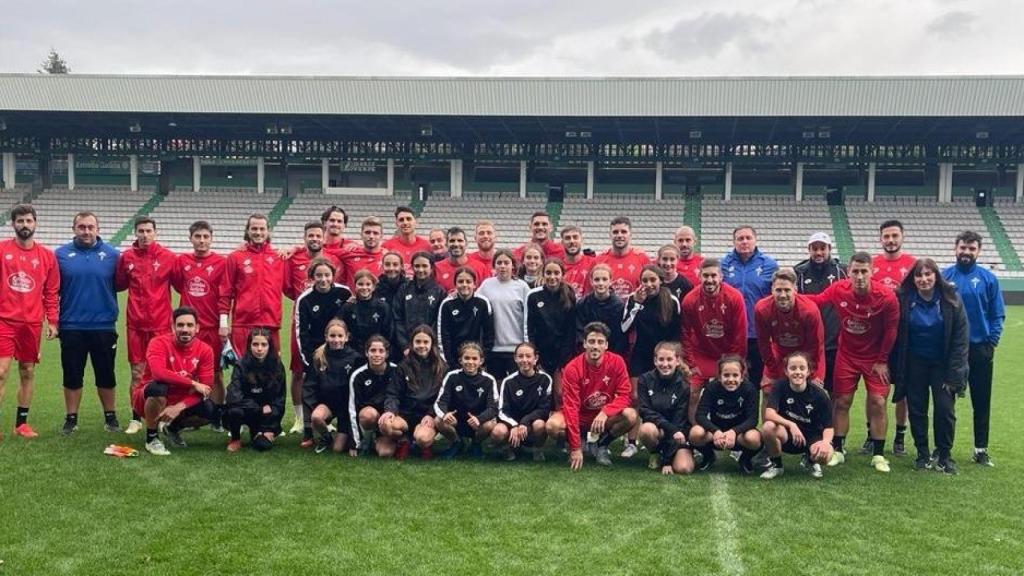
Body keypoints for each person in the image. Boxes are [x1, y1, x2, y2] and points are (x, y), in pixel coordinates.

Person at [805, 252, 899, 473]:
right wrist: (791, 295)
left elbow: (891, 331)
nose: (859, 276)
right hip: (846, 355)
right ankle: (838, 449)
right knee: (842, 401)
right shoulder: (839, 289)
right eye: (855, 271)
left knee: (877, 402)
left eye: (863, 271)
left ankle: (878, 454)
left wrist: (883, 360)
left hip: (875, 359)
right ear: (848, 273)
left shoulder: (886, 297)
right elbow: (818, 300)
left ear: (872, 272)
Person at [893, 258, 968, 474]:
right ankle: (922, 454)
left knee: (945, 409)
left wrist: (955, 375)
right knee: (917, 410)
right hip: (915, 363)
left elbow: (960, 339)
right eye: (919, 275)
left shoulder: (951, 299)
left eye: (928, 274)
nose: (923, 279)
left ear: (936, 276)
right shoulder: (904, 298)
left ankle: (944, 455)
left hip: (942, 365)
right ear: (913, 278)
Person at [942, 230, 1005, 467]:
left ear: (978, 251)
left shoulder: (988, 279)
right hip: (951, 351)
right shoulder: (944, 276)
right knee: (946, 403)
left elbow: (997, 313)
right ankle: (943, 449)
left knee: (981, 401)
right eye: (963, 247)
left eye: (971, 248)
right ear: (955, 248)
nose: (966, 252)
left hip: (980, 348)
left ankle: (980, 449)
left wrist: (993, 341)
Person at [55, 211, 121, 435]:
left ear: (98, 229)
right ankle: (71, 418)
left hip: (104, 325)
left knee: (106, 374)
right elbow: (52, 290)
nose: (86, 231)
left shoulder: (113, 255)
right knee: (72, 375)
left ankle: (110, 417)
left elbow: (121, 284)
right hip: (71, 325)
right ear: (74, 229)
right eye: (81, 226)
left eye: (90, 227)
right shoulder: (61, 255)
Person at [0, 204, 59, 439]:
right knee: (1, 372)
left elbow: (51, 293)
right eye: (20, 221)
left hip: (32, 323)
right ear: (13, 223)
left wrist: (52, 321)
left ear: (35, 223)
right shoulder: (2, 250)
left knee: (27, 371)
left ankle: (21, 424)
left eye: (28, 221)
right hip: (4, 321)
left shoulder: (46, 256)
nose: (25, 225)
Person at [546, 322, 638, 470]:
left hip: (603, 417)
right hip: (580, 415)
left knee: (631, 415)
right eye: (591, 342)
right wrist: (576, 448)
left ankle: (602, 445)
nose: (595, 346)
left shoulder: (617, 362)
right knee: (552, 426)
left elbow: (625, 395)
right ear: (584, 344)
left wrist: (605, 412)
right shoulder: (573, 368)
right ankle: (579, 442)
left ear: (606, 345)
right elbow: (571, 408)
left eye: (600, 342)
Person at [116, 216, 177, 434]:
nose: (145, 235)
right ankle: (136, 418)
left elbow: (180, 284)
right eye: (141, 231)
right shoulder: (127, 258)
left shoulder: (169, 257)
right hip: (135, 325)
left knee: (162, 374)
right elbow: (119, 284)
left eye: (149, 230)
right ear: (135, 233)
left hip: (161, 327)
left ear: (155, 232)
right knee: (137, 373)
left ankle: (161, 417)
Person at [131, 307, 216, 456]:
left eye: (189, 325)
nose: (185, 329)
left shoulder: (205, 350)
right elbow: (158, 374)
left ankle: (172, 428)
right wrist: (193, 383)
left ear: (197, 328)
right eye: (180, 325)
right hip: (148, 397)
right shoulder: (158, 343)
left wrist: (179, 407)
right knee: (159, 389)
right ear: (173, 327)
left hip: (179, 400)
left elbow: (206, 388)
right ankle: (152, 438)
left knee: (210, 410)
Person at [283, 221, 341, 435]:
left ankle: (327, 415)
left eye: (318, 235)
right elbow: (287, 288)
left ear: (323, 237)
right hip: (303, 321)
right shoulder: (293, 258)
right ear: (304, 237)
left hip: (331, 329)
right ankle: (300, 419)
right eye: (311, 235)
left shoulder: (333, 258)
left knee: (329, 371)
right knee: (300, 370)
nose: (315, 238)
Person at [172, 221, 227, 431]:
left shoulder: (221, 262)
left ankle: (217, 416)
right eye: (198, 236)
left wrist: (223, 322)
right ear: (190, 238)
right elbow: (179, 285)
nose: (202, 241)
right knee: (186, 374)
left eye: (205, 236)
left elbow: (224, 293)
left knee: (215, 374)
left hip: (211, 326)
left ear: (211, 238)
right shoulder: (182, 261)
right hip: (187, 328)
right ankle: (190, 415)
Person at [680, 258, 747, 422]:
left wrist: (734, 362)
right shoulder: (690, 300)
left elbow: (740, 334)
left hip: (727, 354)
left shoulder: (734, 297)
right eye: (705, 276)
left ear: (721, 277)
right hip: (701, 354)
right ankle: (695, 434)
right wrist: (691, 363)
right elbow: (685, 334)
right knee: (693, 391)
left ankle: (734, 434)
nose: (709, 280)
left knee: (733, 390)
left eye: (713, 276)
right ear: (699, 277)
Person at [871, 219, 915, 456]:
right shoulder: (872, 264)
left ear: (902, 237)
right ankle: (871, 435)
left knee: (902, 390)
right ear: (881, 238)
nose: (890, 240)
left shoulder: (912, 264)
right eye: (886, 236)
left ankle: (899, 437)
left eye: (894, 236)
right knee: (874, 390)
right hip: (875, 337)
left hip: (903, 337)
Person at [218, 213, 286, 366]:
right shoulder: (235, 257)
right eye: (254, 228)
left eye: (262, 229)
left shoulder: (279, 257)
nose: (258, 232)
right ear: (247, 231)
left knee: (271, 372)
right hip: (243, 324)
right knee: (242, 370)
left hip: (270, 324)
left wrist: (294, 248)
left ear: (268, 231)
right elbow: (225, 292)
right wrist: (223, 323)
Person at [295, 259, 351, 441]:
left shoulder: (344, 292)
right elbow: (300, 332)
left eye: (327, 275)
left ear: (333, 276)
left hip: (340, 348)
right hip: (317, 353)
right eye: (318, 275)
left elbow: (351, 319)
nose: (323, 279)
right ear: (312, 277)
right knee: (309, 387)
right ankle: (308, 431)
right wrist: (308, 361)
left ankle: (347, 426)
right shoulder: (305, 299)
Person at [760, 352, 834, 479]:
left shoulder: (820, 395)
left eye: (802, 368)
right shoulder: (780, 386)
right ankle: (777, 466)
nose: (797, 372)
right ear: (786, 371)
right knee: (768, 427)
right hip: (788, 435)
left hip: (812, 437)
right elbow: (769, 413)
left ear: (809, 371)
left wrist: (826, 443)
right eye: (793, 368)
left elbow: (829, 427)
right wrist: (791, 424)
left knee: (826, 456)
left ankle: (810, 461)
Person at [721, 225, 778, 389]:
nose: (744, 242)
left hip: (758, 334)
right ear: (734, 242)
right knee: (730, 381)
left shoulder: (769, 265)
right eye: (740, 238)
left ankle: (755, 415)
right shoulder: (723, 264)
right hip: (731, 334)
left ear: (755, 240)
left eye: (748, 238)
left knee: (759, 383)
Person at [378, 325, 448, 460]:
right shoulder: (402, 366)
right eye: (418, 342)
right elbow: (393, 394)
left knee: (422, 438)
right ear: (411, 344)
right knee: (385, 424)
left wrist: (431, 414)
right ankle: (403, 440)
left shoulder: (442, 367)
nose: (421, 345)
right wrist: (390, 411)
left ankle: (422, 444)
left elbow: (444, 397)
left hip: (426, 416)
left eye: (425, 342)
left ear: (432, 343)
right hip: (405, 415)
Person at [754, 269, 826, 395]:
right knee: (768, 390)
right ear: (772, 290)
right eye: (778, 290)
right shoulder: (762, 309)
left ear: (795, 290)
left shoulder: (809, 311)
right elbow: (763, 343)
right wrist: (772, 370)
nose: (782, 295)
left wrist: (810, 371)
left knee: (811, 391)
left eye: (787, 290)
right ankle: (770, 415)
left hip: (808, 353)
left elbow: (816, 345)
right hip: (780, 351)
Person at [794, 232, 847, 394]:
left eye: (822, 248)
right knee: (804, 389)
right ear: (809, 249)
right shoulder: (799, 273)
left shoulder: (842, 271)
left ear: (829, 249)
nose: (818, 252)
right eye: (814, 248)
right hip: (807, 342)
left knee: (833, 391)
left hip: (833, 342)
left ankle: (829, 420)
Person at [690, 355, 761, 473]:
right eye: (726, 375)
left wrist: (734, 431)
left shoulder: (749, 389)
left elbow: (753, 420)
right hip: (716, 434)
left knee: (753, 438)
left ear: (742, 376)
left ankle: (745, 459)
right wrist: (715, 431)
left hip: (739, 435)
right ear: (719, 376)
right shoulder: (712, 388)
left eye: (735, 375)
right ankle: (708, 456)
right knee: (695, 433)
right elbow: (700, 415)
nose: (730, 379)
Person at [636, 342, 694, 475]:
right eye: (661, 359)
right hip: (658, 429)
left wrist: (668, 460)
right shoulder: (644, 380)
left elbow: (678, 422)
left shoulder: (683, 386)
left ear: (677, 361)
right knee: (646, 430)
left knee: (684, 469)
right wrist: (665, 462)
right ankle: (655, 453)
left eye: (669, 359)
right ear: (655, 361)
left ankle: (674, 453)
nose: (665, 364)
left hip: (677, 433)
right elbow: (644, 410)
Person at [305, 318, 363, 453]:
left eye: (340, 336)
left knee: (337, 449)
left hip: (346, 407)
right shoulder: (319, 357)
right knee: (316, 416)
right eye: (332, 336)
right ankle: (326, 437)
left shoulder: (355, 358)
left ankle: (353, 435)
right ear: (326, 337)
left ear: (347, 337)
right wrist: (313, 406)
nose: (336, 340)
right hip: (328, 404)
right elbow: (309, 385)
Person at [225, 327, 286, 452]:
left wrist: (270, 425)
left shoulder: (277, 366)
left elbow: (280, 399)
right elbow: (233, 397)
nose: (259, 349)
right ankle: (235, 439)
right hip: (247, 410)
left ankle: (262, 431)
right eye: (255, 344)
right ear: (249, 345)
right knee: (234, 411)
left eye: (264, 344)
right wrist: (258, 408)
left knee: (262, 445)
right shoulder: (240, 365)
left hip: (267, 414)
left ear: (270, 347)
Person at [434, 341, 499, 458]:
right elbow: (440, 402)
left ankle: (476, 444)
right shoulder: (452, 376)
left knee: (490, 424)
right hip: (455, 422)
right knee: (438, 420)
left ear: (481, 361)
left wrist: (479, 419)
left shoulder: (489, 380)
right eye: (467, 358)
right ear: (460, 360)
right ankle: (457, 443)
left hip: (477, 423)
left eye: (474, 359)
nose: (470, 362)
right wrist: (445, 415)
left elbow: (493, 407)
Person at [493, 342, 552, 461]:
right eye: (520, 356)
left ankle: (537, 449)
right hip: (512, 425)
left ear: (535, 358)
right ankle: (508, 449)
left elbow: (544, 409)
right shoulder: (508, 381)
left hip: (531, 424)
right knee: (498, 432)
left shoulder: (545, 379)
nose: (524, 360)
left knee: (540, 425)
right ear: (515, 358)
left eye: (528, 356)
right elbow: (501, 411)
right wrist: (515, 425)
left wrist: (525, 421)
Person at [476, 249, 529, 380]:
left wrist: (526, 344)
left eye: (506, 262)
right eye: (499, 263)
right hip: (493, 349)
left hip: (516, 348)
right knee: (496, 387)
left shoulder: (522, 286)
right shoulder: (486, 285)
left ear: (513, 265)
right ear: (494, 266)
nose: (503, 266)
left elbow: (529, 317)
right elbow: (474, 302)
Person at [525, 259, 576, 398]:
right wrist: (533, 353)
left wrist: (564, 358)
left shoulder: (570, 295)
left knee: (559, 393)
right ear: (543, 274)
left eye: (556, 273)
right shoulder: (534, 296)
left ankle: (558, 418)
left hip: (562, 354)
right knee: (541, 392)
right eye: (548, 272)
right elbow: (528, 326)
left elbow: (571, 329)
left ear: (562, 274)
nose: (552, 277)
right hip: (540, 353)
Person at [622, 265, 681, 379]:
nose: (649, 284)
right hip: (640, 354)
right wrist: (637, 304)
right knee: (635, 395)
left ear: (660, 281)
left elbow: (676, 333)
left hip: (664, 355)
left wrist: (673, 355)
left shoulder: (672, 300)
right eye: (645, 281)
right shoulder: (632, 298)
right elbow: (624, 328)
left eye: (653, 280)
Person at [348, 336, 400, 457]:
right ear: (366, 352)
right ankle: (367, 440)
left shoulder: (396, 371)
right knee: (368, 415)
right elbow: (352, 410)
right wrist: (354, 443)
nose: (377, 354)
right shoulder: (358, 375)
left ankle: (398, 440)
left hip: (390, 418)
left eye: (381, 351)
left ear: (387, 354)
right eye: (373, 350)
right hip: (371, 418)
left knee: (385, 453)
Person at [437, 267, 494, 367]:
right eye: (460, 281)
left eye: (468, 281)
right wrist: (449, 361)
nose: (464, 285)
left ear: (474, 284)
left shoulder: (482, 303)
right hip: (454, 360)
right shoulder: (447, 304)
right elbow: (443, 334)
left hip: (476, 359)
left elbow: (489, 333)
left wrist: (483, 358)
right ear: (455, 284)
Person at [393, 252, 448, 357]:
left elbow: (439, 322)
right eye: (417, 266)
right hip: (406, 350)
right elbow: (397, 318)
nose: (420, 269)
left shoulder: (439, 292)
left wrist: (430, 344)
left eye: (424, 266)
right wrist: (405, 345)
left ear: (431, 268)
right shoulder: (404, 289)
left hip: (429, 348)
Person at [574, 264, 628, 358]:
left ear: (610, 281)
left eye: (604, 279)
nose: (601, 283)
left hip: (612, 353)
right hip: (588, 353)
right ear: (591, 281)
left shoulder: (618, 306)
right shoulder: (582, 304)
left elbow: (619, 336)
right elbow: (579, 332)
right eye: (597, 279)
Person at [338, 269, 394, 354]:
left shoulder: (383, 307)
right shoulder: (348, 307)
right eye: (360, 284)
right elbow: (340, 328)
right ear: (355, 286)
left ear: (373, 287)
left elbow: (388, 332)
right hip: (353, 352)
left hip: (376, 352)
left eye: (368, 284)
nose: (364, 287)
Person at [595, 216, 650, 299]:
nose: (619, 235)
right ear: (610, 235)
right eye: (615, 232)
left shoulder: (643, 259)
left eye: (623, 232)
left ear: (630, 234)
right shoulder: (599, 260)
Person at [435, 226, 489, 293]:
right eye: (452, 241)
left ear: (466, 243)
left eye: (460, 240)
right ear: (446, 244)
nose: (456, 244)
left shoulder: (480, 268)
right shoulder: (437, 268)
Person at [337, 216, 386, 289]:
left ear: (381, 236)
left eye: (375, 233)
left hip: (379, 300)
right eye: (367, 232)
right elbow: (325, 251)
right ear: (361, 235)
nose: (371, 236)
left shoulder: (387, 257)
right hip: (354, 300)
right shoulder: (350, 252)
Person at [383, 206, 431, 276]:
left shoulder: (427, 246)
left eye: (408, 219)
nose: (405, 222)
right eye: (401, 220)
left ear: (416, 222)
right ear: (396, 224)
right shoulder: (387, 246)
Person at [560, 225, 594, 299]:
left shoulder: (593, 263)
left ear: (582, 240)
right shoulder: (558, 267)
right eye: (567, 238)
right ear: (562, 243)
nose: (572, 241)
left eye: (575, 237)